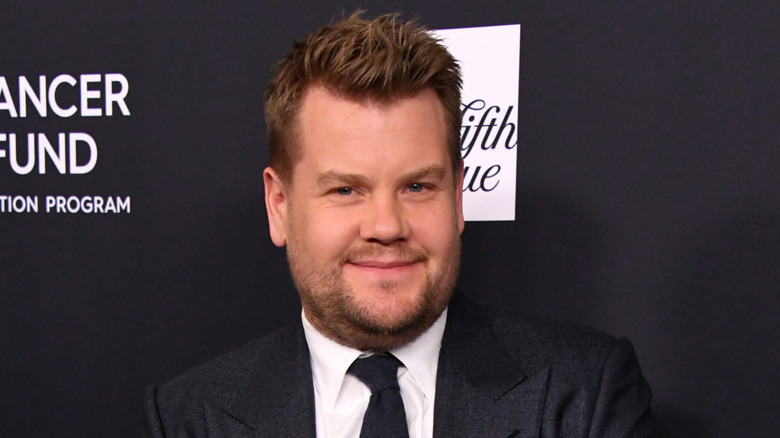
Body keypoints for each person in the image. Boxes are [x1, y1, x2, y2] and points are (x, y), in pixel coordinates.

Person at [144, 12, 654, 438]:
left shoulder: (584, 396)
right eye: (346, 190)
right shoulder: (189, 418)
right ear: (279, 204)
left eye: (417, 187)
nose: (386, 226)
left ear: (457, 196)